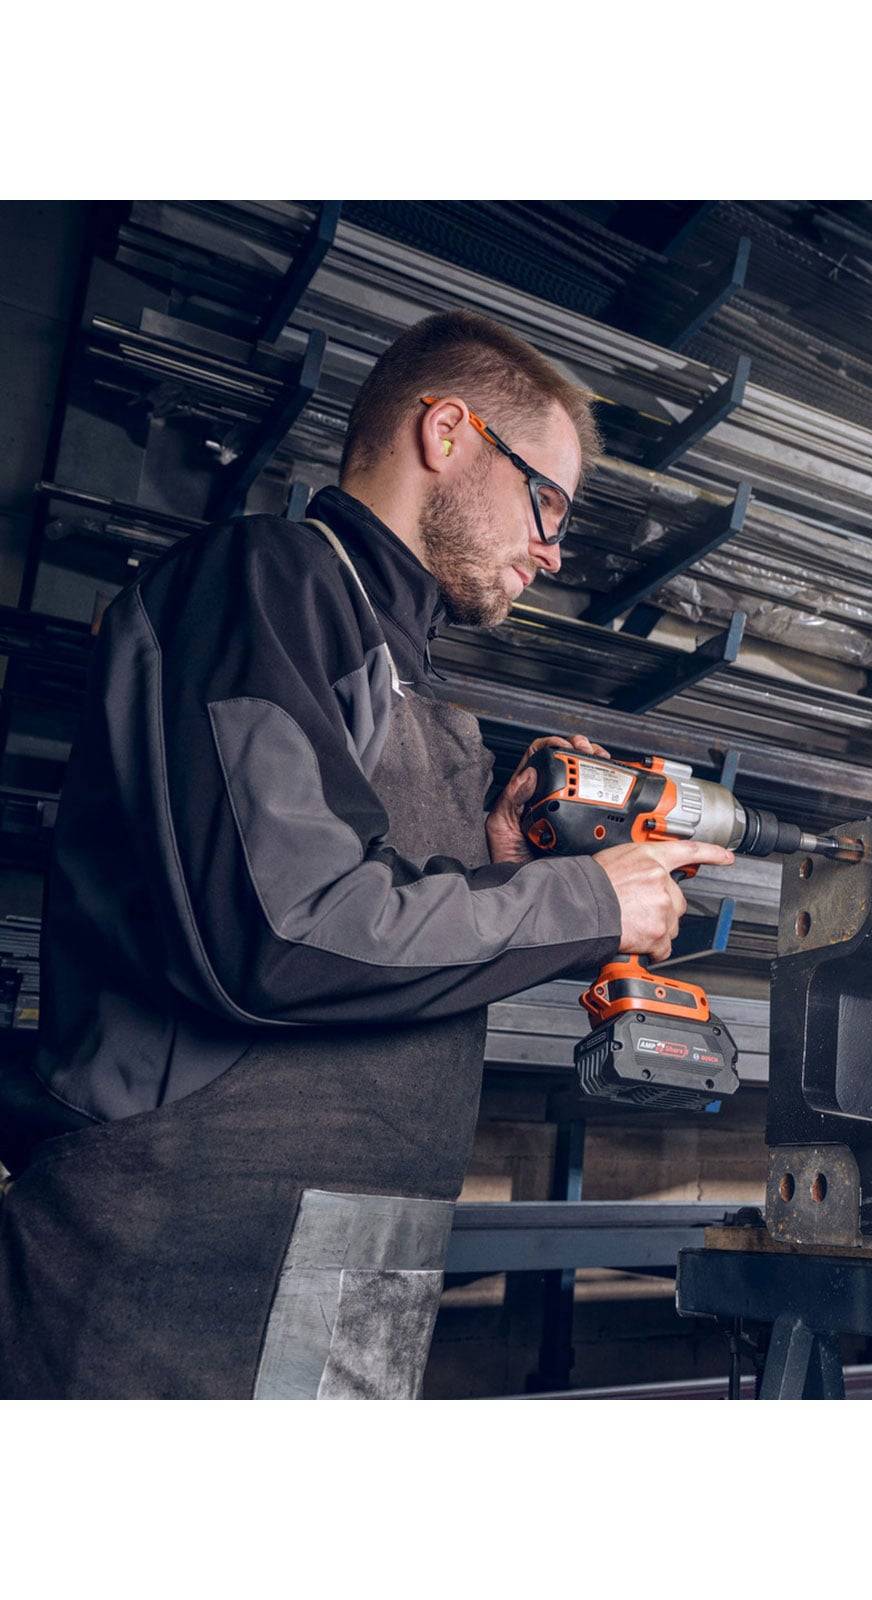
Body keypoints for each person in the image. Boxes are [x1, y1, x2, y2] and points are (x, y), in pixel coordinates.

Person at [0, 308, 733, 1398]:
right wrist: (579, 900)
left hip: (361, 1254)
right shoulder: (266, 585)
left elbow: (380, 907)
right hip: (177, 1255)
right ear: (447, 431)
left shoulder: (399, 667)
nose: (553, 549)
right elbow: (285, 925)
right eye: (546, 501)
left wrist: (498, 862)